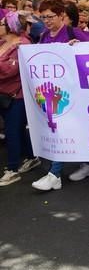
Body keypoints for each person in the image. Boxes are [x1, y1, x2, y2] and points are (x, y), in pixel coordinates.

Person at [31, 0, 89, 191]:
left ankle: (54, 175)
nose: (47, 21)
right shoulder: (43, 36)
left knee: (63, 130)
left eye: (50, 17)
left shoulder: (74, 33)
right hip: (51, 93)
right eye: (43, 17)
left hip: (73, 94)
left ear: (61, 16)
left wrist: (80, 49)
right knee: (60, 130)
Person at [0, 12, 40, 187]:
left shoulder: (22, 44)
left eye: (2, 22)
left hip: (16, 96)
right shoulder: (4, 43)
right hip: (4, 95)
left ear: (10, 26)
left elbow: (9, 71)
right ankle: (32, 157)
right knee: (16, 129)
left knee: (12, 131)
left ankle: (12, 169)